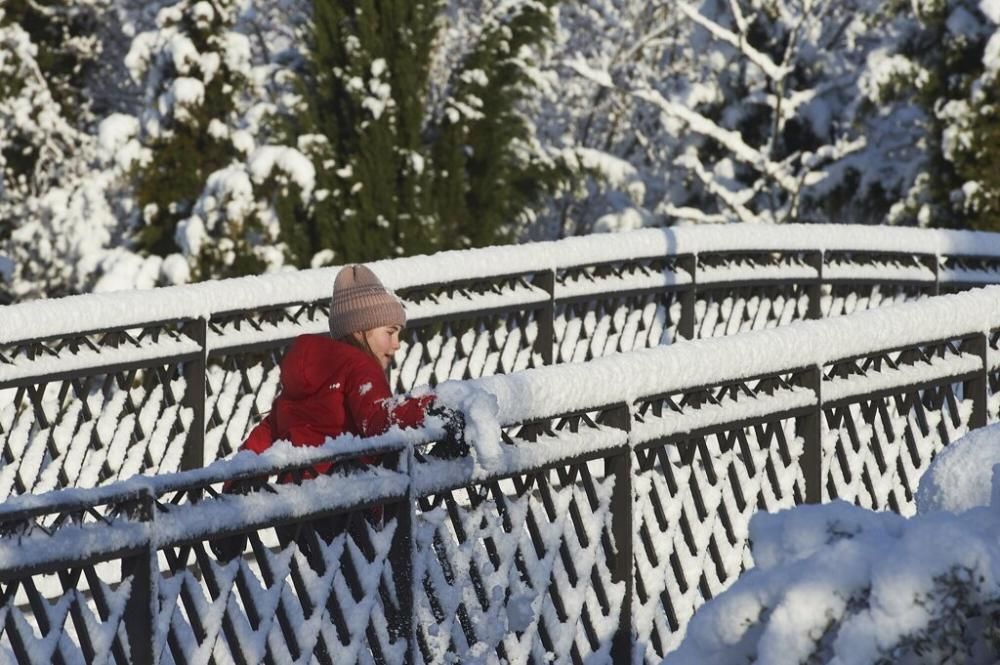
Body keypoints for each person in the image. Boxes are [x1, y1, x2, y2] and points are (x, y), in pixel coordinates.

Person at [212, 264, 467, 561]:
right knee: (378, 591)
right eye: (390, 332)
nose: (397, 344)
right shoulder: (359, 367)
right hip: (346, 505)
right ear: (361, 330)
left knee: (330, 596)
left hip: (297, 511)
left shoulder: (311, 374)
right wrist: (429, 406)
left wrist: (235, 489)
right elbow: (376, 419)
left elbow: (267, 433)